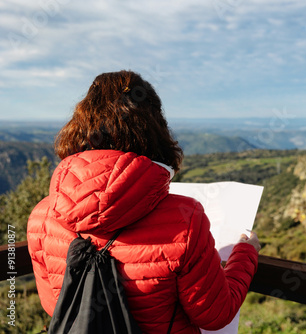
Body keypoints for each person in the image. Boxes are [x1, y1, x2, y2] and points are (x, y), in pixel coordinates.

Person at [27, 70, 261, 333]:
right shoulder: (186, 219)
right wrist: (246, 253)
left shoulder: (41, 217)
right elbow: (215, 315)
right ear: (153, 128)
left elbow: (55, 305)